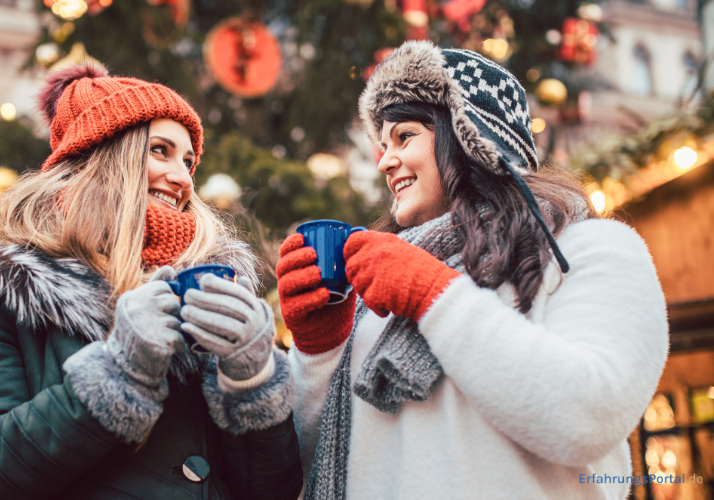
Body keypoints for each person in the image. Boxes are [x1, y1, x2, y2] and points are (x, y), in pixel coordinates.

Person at [276, 40, 668, 499]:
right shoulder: (378, 291)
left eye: (404, 136)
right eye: (382, 145)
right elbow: (316, 464)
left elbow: (589, 417)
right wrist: (319, 351)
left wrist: (434, 296)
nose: (384, 161)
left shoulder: (589, 248)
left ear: (470, 136)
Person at [0, 63, 302, 500]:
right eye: (160, 151)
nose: (184, 178)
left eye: (188, 161)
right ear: (104, 158)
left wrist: (252, 377)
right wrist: (118, 372)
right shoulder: (8, 292)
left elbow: (273, 490)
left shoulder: (213, 290)